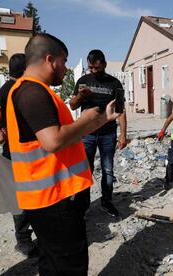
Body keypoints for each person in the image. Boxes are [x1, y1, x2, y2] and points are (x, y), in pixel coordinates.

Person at [6, 33, 120, 275]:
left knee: (53, 262)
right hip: (51, 199)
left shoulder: (36, 91)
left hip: (52, 196)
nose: (66, 69)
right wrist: (89, 117)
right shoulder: (31, 92)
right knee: (70, 265)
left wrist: (101, 119)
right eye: (64, 61)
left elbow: (66, 135)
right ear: (50, 60)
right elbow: (54, 141)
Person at [69, 49, 127, 217]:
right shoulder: (83, 81)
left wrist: (123, 135)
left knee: (108, 170)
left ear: (104, 65)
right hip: (87, 134)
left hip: (108, 134)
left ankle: (107, 202)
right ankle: (83, 205)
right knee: (85, 169)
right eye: (91, 68)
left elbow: (121, 111)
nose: (94, 71)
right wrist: (80, 95)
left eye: (97, 68)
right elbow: (73, 105)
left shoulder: (115, 83)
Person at [0, 53, 39, 258]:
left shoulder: (3, 90)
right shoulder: (18, 91)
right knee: (23, 199)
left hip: (11, 152)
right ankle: (23, 241)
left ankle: (24, 238)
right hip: (20, 153)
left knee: (21, 198)